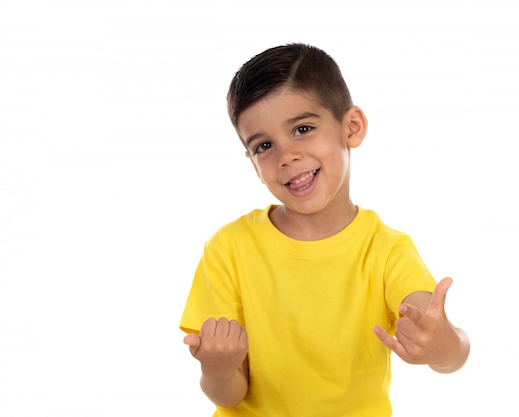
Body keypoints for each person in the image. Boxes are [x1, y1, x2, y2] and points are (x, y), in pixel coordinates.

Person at [180, 43, 470, 417]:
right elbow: (229, 394)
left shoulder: (387, 250)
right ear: (252, 162)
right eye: (264, 145)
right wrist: (217, 368)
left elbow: (450, 350)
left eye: (302, 129)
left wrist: (441, 343)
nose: (286, 156)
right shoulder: (228, 248)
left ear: (352, 127)